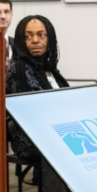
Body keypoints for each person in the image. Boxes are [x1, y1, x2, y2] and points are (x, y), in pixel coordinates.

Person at [6, 15, 68, 169]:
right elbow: (30, 113)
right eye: (28, 36)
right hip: (30, 140)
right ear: (21, 42)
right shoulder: (19, 69)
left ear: (50, 39)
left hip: (55, 133)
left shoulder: (49, 69)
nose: (35, 40)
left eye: (41, 35)